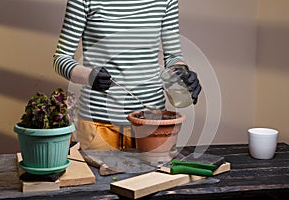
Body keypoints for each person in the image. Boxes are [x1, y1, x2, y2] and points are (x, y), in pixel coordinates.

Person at [53, 0, 201, 150]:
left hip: (151, 125)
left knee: (154, 174)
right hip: (98, 126)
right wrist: (89, 76)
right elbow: (61, 58)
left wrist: (183, 74)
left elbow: (172, 57)